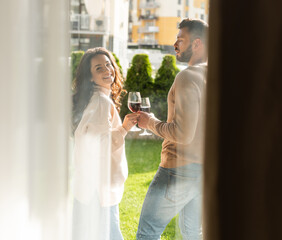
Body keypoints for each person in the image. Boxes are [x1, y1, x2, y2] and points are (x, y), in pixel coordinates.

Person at [136, 19, 209, 240]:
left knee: (147, 232)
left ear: (197, 44)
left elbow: (182, 133)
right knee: (192, 234)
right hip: (203, 171)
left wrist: (150, 122)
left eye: (180, 40)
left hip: (177, 169)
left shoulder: (187, 76)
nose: (174, 45)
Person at [71, 47, 138, 240]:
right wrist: (124, 128)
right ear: (90, 77)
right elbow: (99, 144)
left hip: (89, 187)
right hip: (98, 190)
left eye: (108, 64)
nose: (107, 70)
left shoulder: (96, 100)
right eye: (99, 68)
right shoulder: (101, 103)